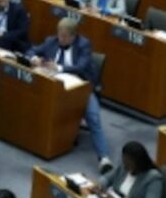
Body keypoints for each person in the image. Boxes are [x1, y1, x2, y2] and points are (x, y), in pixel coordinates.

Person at [30, 18, 111, 169]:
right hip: (55, 85)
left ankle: (104, 158)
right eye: (60, 35)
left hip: (80, 86)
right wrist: (34, 58)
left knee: (93, 117)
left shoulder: (83, 45)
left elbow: (81, 67)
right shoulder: (51, 41)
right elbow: (33, 50)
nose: (61, 39)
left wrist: (59, 68)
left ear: (74, 36)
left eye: (65, 36)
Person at [91, 141, 164, 198]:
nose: (125, 166)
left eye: (128, 163)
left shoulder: (153, 178)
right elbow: (106, 178)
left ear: (139, 162)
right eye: (124, 161)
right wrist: (100, 185)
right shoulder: (124, 166)